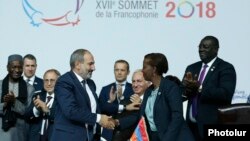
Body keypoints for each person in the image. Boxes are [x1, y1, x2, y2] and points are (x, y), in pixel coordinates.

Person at [117, 53, 194, 141]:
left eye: (145, 67)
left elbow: (177, 118)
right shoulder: (149, 91)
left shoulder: (171, 88)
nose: (142, 70)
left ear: (154, 69)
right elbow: (143, 118)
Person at [51, 49, 114, 141]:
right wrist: (99, 118)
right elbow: (71, 111)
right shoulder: (64, 82)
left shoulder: (91, 83)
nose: (93, 68)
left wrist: (107, 119)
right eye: (90, 64)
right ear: (77, 65)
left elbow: (93, 109)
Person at [182, 36, 237, 140]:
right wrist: (185, 89)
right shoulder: (192, 68)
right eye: (200, 46)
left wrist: (200, 88)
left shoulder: (225, 68)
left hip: (213, 125)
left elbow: (225, 94)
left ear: (216, 49)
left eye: (205, 46)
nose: (201, 49)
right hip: (191, 127)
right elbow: (183, 93)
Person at [99, 59, 134, 141]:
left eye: (122, 70)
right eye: (116, 70)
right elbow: (100, 109)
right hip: (107, 134)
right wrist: (110, 102)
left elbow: (135, 113)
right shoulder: (105, 89)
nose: (119, 72)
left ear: (128, 72)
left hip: (127, 134)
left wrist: (122, 98)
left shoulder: (134, 89)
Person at [112, 69, 151, 141]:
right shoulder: (124, 102)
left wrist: (141, 104)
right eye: (133, 81)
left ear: (148, 83)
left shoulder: (153, 101)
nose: (135, 85)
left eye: (139, 81)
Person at [25, 69, 61, 141]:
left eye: (52, 80)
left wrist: (47, 110)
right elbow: (26, 116)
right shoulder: (37, 95)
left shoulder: (63, 98)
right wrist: (36, 110)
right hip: (35, 138)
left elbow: (62, 119)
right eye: (46, 80)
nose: (49, 83)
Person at [0, 54, 28, 141]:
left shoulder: (29, 88)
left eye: (20, 67)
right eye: (13, 67)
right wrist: (4, 104)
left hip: (20, 133)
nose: (17, 70)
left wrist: (14, 101)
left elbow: (28, 112)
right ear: (7, 67)